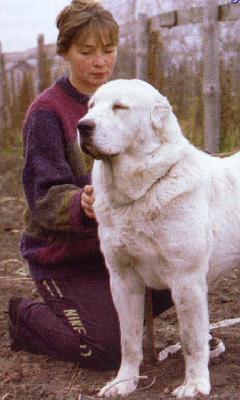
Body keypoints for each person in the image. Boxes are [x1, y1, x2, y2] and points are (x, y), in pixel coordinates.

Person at [8, 0, 172, 371]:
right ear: (65, 51)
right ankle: (25, 316)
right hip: (65, 259)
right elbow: (44, 198)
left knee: (186, 270)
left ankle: (109, 309)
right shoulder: (47, 114)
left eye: (109, 50)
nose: (100, 61)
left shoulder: (127, 100)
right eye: (86, 52)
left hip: (117, 247)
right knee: (104, 351)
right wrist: (79, 202)